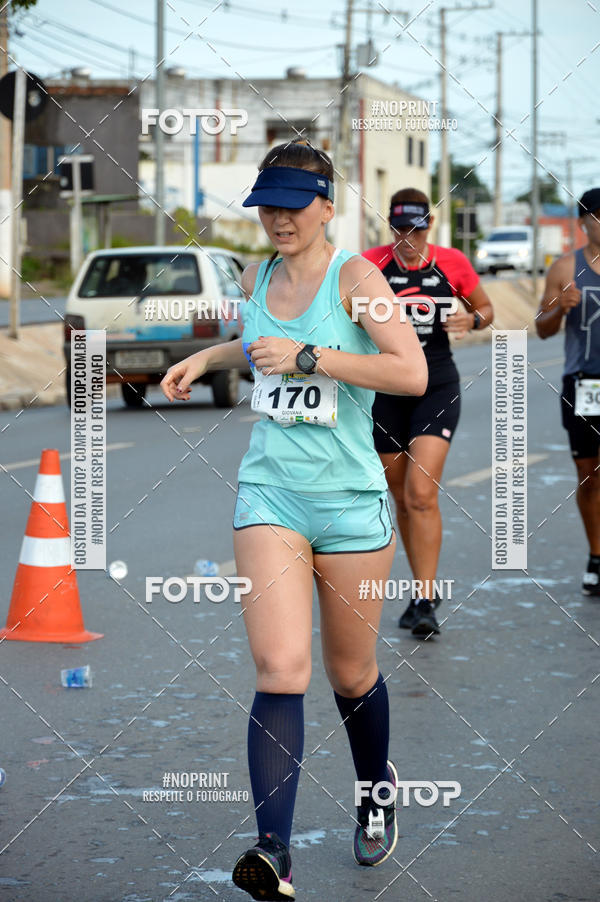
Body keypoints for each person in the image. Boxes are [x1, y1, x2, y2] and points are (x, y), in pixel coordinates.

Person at [160, 141, 427, 901]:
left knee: (351, 673)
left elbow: (407, 371)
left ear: (325, 206)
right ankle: (272, 852)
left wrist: (312, 357)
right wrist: (208, 361)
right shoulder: (257, 275)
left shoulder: (359, 279)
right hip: (270, 494)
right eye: (266, 203)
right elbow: (258, 349)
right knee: (281, 668)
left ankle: (376, 787)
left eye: (291, 202)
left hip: (349, 503)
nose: (277, 216)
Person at [363, 189, 494, 637]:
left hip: (436, 383)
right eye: (399, 229)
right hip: (386, 389)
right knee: (398, 496)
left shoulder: (452, 262)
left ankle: (424, 598)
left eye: (415, 229)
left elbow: (486, 309)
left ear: (429, 225)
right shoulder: (369, 264)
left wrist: (470, 320)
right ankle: (421, 590)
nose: (407, 239)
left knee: (421, 493)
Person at [535, 186, 600, 595]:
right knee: (589, 475)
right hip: (586, 383)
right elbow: (542, 329)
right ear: (583, 223)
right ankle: (597, 556)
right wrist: (561, 305)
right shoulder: (565, 267)